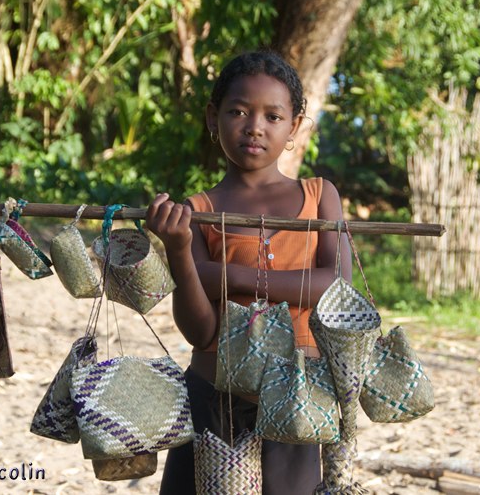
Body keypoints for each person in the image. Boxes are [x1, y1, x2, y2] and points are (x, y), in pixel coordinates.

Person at [145, 50, 351, 495]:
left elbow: (336, 287)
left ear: (294, 126)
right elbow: (201, 332)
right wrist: (179, 251)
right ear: (212, 117)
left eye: (272, 116)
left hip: (296, 403)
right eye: (238, 111)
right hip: (212, 397)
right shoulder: (197, 213)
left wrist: (231, 276)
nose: (254, 126)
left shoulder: (320, 197)